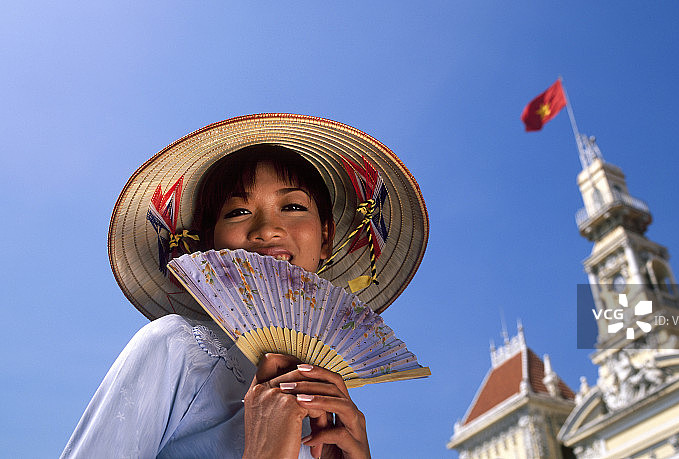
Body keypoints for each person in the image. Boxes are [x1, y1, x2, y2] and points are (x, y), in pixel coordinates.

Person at [62, 114, 429, 458]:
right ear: (208, 246)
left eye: (294, 206)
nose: (267, 229)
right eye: (238, 212)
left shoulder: (328, 416)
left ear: (326, 238)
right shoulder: (175, 348)